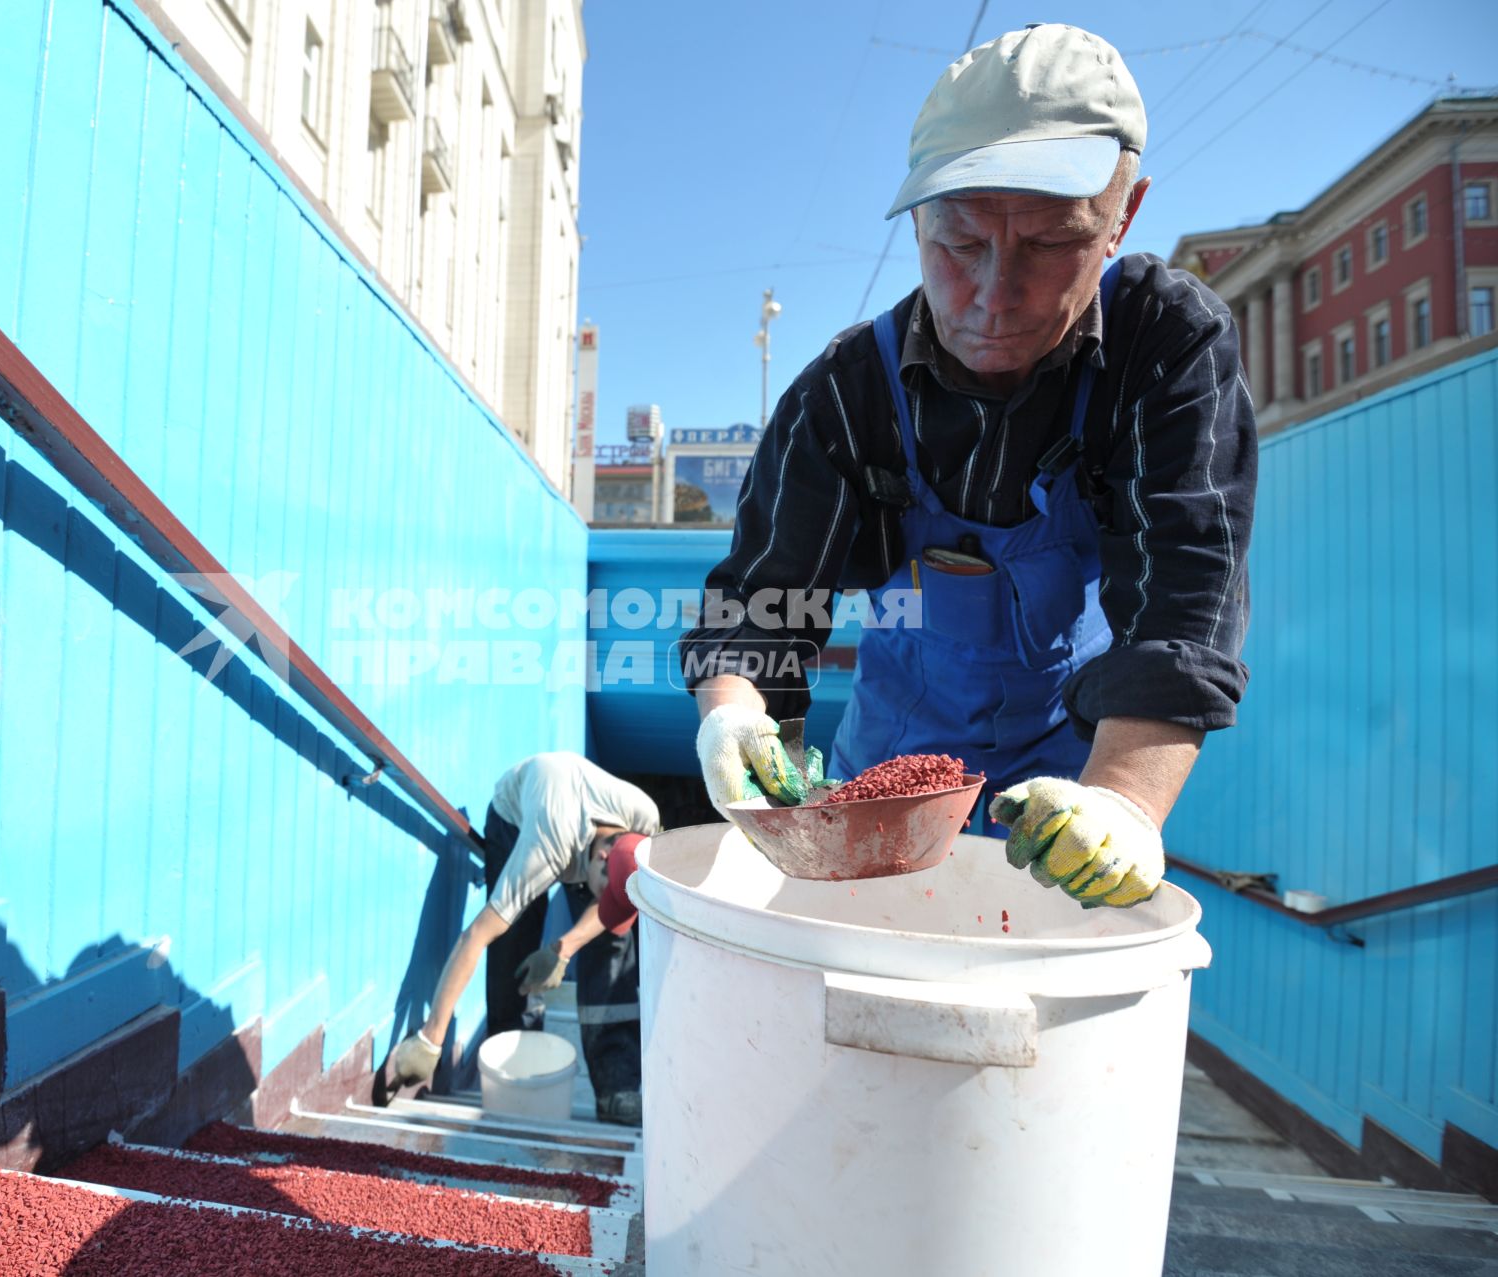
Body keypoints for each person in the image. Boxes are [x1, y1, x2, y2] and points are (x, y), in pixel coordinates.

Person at [682, 24, 1255, 909]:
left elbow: (1183, 599)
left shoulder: (1166, 349)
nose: (994, 293)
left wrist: (1124, 807)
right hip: (885, 789)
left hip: (1076, 785)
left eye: (1049, 243)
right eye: (958, 244)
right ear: (917, 218)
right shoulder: (846, 394)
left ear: (1122, 216)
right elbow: (760, 603)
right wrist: (734, 711)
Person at [383, 753, 660, 1124]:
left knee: (613, 946)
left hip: (578, 820)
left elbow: (614, 902)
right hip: (514, 820)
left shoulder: (647, 824)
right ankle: (514, 1067)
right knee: (511, 941)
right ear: (603, 857)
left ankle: (616, 1089)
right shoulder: (544, 848)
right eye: (603, 895)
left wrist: (563, 949)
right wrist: (430, 1040)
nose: (601, 905)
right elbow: (475, 936)